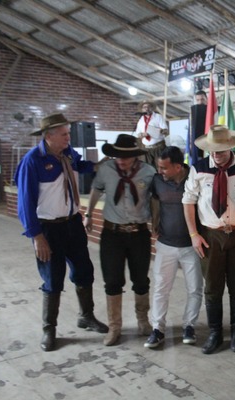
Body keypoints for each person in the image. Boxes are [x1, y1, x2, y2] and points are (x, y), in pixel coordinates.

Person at [15, 113, 108, 352]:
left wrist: (98, 165)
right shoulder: (32, 161)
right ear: (49, 136)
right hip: (48, 228)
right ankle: (49, 329)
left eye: (68, 133)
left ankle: (86, 316)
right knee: (53, 278)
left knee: (84, 270)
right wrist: (37, 237)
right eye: (64, 134)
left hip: (73, 223)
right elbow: (25, 203)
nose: (69, 138)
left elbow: (80, 166)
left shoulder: (68, 154)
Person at [182, 125, 235, 355]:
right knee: (212, 287)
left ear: (230, 147)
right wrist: (194, 234)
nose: (216, 154)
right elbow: (188, 201)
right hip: (210, 236)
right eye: (213, 150)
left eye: (221, 150)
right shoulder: (199, 169)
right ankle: (215, 332)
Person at [84, 134, 156, 346]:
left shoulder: (149, 172)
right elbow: (96, 189)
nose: (120, 160)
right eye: (117, 156)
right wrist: (88, 214)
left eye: (125, 156)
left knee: (141, 279)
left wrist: (158, 223)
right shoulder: (106, 170)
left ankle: (143, 321)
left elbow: (157, 200)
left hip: (139, 234)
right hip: (112, 234)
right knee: (112, 280)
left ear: (135, 156)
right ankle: (114, 327)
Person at [144, 146, 203, 349]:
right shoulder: (157, 181)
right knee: (161, 288)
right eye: (158, 167)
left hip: (192, 246)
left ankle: (189, 327)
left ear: (178, 167)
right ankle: (157, 329)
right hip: (165, 244)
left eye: (164, 167)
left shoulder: (195, 179)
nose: (159, 171)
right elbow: (154, 200)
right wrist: (154, 221)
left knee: (195, 289)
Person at [134, 100, 169, 166]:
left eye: (148, 107)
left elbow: (166, 131)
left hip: (158, 147)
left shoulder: (158, 117)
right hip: (146, 148)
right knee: (148, 167)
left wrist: (156, 131)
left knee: (160, 166)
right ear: (142, 109)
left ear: (152, 108)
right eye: (144, 107)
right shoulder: (141, 120)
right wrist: (142, 134)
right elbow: (138, 134)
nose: (146, 108)